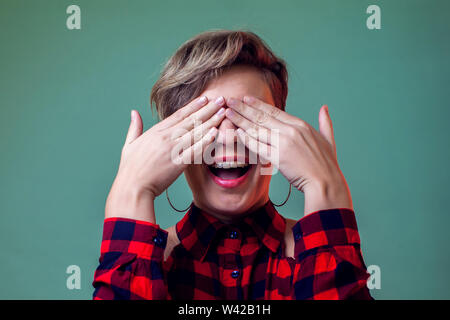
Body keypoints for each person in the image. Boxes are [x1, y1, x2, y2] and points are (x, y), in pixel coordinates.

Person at [92, 30, 372, 300]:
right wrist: (131, 190)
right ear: (171, 143)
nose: (226, 139)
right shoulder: (152, 263)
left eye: (248, 116)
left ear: (283, 135)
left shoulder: (317, 254)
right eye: (205, 120)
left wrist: (324, 186)